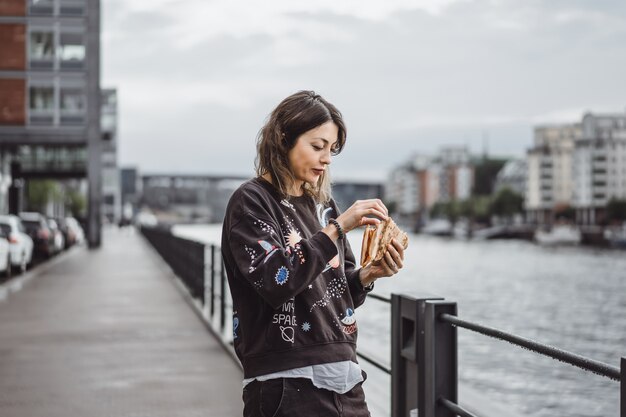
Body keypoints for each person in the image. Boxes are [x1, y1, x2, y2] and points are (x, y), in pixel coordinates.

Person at [221, 90, 405, 417]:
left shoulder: (323, 207)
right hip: (285, 381)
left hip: (344, 378)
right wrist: (338, 228)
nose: (327, 159)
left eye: (332, 150)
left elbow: (338, 293)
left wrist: (369, 274)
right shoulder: (251, 202)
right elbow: (277, 280)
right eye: (317, 146)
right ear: (282, 139)